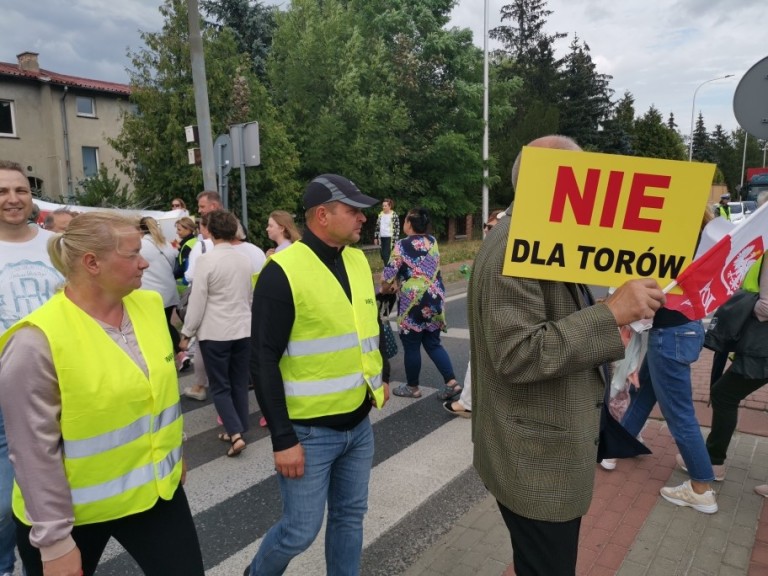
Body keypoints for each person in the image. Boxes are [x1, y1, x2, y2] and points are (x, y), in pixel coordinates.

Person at [469, 135, 666, 576]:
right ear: (548, 180)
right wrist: (610, 312)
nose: (592, 187)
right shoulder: (513, 246)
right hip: (536, 465)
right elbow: (517, 353)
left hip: (543, 454)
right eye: (580, 176)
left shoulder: (545, 234)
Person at [0, 211, 204, 576]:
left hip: (154, 494)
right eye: (132, 254)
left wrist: (175, 456)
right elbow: (32, 452)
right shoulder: (35, 341)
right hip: (72, 516)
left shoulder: (150, 306)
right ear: (92, 263)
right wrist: (54, 541)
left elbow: (159, 397)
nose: (144, 263)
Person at [246, 174, 388, 576]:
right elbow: (262, 359)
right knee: (299, 531)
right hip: (308, 433)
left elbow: (368, 323)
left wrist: (383, 373)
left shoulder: (357, 259)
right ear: (322, 215)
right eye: (353, 210)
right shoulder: (282, 272)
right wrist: (282, 437)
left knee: (350, 517)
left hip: (358, 424)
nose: (363, 218)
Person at [600, 207, 719, 514]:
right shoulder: (702, 243)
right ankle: (618, 446)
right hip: (680, 330)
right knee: (646, 391)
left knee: (679, 414)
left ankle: (701, 487)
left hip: (671, 334)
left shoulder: (675, 245)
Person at [0, 160, 63, 576]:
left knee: (55, 490)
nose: (12, 198)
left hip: (62, 383)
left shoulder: (58, 245)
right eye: (3, 191)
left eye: (20, 190)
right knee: (5, 502)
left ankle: (50, 561)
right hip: (4, 391)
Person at [179, 210, 253, 457]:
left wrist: (187, 332)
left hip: (215, 332)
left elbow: (198, 301)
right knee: (239, 382)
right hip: (242, 329)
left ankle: (234, 433)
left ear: (209, 231)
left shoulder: (206, 261)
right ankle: (239, 427)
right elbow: (248, 297)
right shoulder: (244, 260)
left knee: (220, 386)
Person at [704, 248, 768, 497]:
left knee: (723, 394)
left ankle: (713, 461)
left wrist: (741, 307)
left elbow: (765, 308)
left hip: (761, 347)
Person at [381, 207, 459, 400]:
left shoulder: (401, 245)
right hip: (435, 297)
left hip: (412, 302)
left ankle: (413, 387)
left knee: (412, 345)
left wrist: (386, 289)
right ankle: (451, 383)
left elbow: (389, 275)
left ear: (409, 224)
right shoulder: (432, 241)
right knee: (433, 342)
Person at [443, 208, 506, 418]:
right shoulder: (499, 248)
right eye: (485, 227)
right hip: (496, 313)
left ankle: (468, 403)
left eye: (490, 227)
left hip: (495, 314)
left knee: (480, 357)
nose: (487, 231)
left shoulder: (500, 249)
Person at [182, 190, 222, 400]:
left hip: (209, 306)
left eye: (202, 207)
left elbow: (190, 276)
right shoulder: (242, 245)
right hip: (234, 313)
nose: (199, 210)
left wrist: (187, 331)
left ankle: (200, 386)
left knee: (202, 345)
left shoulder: (203, 246)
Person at [139, 216, 181, 356]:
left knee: (159, 326)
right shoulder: (166, 244)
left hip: (151, 292)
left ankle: (175, 353)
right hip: (169, 290)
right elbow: (175, 261)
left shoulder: (140, 245)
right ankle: (180, 353)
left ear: (140, 229)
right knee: (166, 323)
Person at [373, 198, 399, 264]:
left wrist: (395, 240)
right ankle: (388, 267)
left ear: (389, 206)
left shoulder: (394, 215)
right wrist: (375, 237)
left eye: (385, 206)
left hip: (389, 238)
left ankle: (387, 269)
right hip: (381, 238)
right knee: (382, 254)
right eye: (383, 206)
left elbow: (397, 228)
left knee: (386, 255)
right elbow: (377, 226)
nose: (383, 207)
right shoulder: (380, 215)